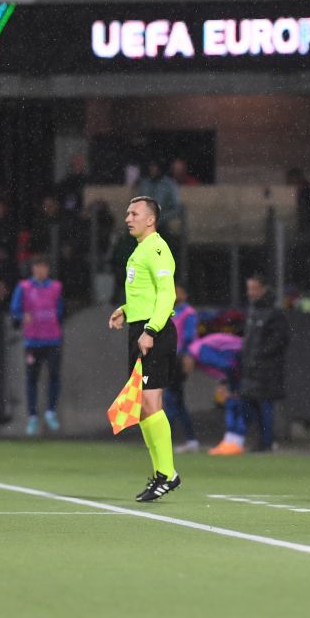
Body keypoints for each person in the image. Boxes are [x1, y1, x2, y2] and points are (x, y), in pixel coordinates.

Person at [107, 196, 181, 501]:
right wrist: (126, 310)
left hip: (154, 332)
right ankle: (162, 473)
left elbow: (167, 295)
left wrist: (151, 330)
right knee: (142, 406)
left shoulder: (158, 249)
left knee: (151, 402)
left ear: (151, 219)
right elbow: (147, 294)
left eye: (134, 213)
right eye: (127, 213)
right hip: (140, 330)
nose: (128, 218)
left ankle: (167, 474)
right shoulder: (140, 249)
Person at [211, 273, 290, 454]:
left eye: (253, 289)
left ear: (263, 289)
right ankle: (258, 440)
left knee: (264, 405)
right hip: (250, 369)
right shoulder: (253, 312)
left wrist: (261, 357)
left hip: (267, 370)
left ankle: (267, 442)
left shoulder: (274, 313)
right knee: (249, 405)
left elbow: (279, 341)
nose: (250, 293)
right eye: (249, 289)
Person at [10, 256, 64, 437]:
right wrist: (21, 317)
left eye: (44, 267)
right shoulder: (24, 287)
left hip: (52, 339)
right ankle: (32, 416)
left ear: (48, 269)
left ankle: (51, 411)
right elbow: (15, 310)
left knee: (54, 375)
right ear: (33, 269)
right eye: (37, 266)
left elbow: (60, 310)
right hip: (33, 341)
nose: (41, 270)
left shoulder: (56, 287)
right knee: (32, 378)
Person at [167, 283, 200, 453]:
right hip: (170, 358)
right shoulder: (170, 311)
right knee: (176, 401)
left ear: (185, 294)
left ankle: (165, 438)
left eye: (177, 291)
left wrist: (188, 356)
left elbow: (189, 337)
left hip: (178, 360)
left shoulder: (188, 313)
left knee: (170, 399)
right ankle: (191, 439)